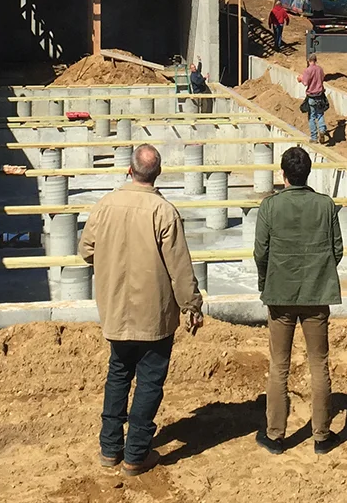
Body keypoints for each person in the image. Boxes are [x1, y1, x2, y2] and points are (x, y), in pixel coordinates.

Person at [78, 145, 204, 476]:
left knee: (118, 372)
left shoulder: (105, 206)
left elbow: (85, 250)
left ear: (129, 171)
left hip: (116, 310)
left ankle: (109, 449)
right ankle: (135, 454)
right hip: (155, 315)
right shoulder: (164, 212)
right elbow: (180, 269)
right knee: (149, 380)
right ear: (157, 174)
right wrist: (191, 306)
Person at [253, 145, 342, 455]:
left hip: (281, 294)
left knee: (279, 365)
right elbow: (338, 250)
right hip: (317, 294)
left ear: (283, 174)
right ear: (308, 172)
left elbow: (260, 253)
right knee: (319, 363)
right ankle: (321, 435)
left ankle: (276, 434)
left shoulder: (271, 206)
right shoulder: (325, 205)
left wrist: (267, 282)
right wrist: (320, 275)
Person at [299, 53, 328, 144]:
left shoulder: (308, 70)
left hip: (311, 96)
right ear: (316, 60)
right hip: (320, 95)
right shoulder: (320, 69)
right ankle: (322, 129)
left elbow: (305, 83)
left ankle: (314, 137)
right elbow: (322, 79)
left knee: (312, 116)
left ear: (309, 60)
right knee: (320, 114)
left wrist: (300, 78)